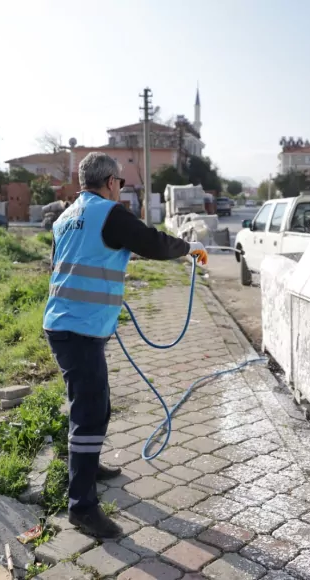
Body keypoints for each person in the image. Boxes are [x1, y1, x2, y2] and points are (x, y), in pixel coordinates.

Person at [43, 152, 207, 538]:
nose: (121, 190)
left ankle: (89, 466)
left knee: (95, 406)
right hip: (79, 329)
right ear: (112, 182)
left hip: (67, 324)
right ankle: (81, 507)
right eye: (121, 184)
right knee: (89, 411)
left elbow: (69, 261)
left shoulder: (67, 216)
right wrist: (189, 248)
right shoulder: (109, 214)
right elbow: (152, 242)